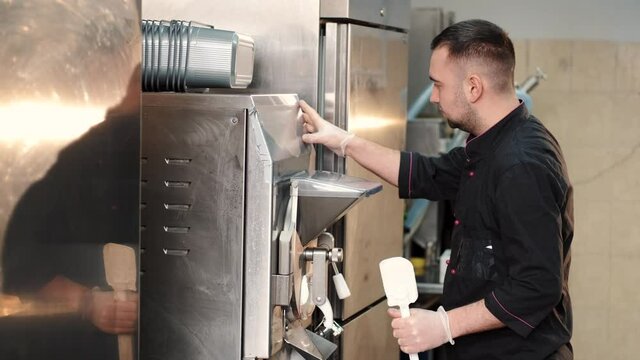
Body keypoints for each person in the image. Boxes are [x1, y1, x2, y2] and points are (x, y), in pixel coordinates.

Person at [299, 19, 573, 360]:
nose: (432, 96)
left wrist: (444, 325)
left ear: (473, 87)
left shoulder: (522, 164)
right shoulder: (490, 144)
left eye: (438, 85)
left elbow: (536, 286)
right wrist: (342, 141)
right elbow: (426, 174)